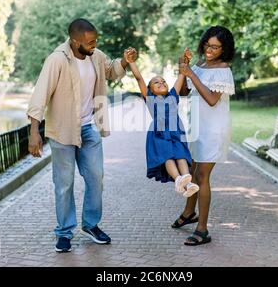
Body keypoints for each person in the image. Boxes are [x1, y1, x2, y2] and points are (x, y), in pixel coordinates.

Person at [27, 18, 137, 253]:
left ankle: (91, 225)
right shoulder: (57, 60)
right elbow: (40, 95)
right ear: (75, 41)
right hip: (63, 131)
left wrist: (124, 62)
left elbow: (110, 70)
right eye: (90, 41)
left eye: (95, 40)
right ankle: (64, 232)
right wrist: (34, 130)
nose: (94, 44)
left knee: (96, 177)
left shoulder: (95, 55)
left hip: (89, 128)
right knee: (64, 184)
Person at [174, 25, 235, 246]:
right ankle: (189, 213)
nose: (210, 50)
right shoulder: (199, 65)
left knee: (202, 177)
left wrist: (191, 74)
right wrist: (184, 68)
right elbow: (183, 92)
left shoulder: (223, 70)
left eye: (216, 47)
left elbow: (211, 99)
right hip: (196, 127)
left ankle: (202, 230)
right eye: (208, 45)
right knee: (191, 172)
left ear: (224, 49)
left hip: (214, 129)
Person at [128, 49, 199, 197]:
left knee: (181, 154)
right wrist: (131, 62)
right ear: (150, 89)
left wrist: (186, 60)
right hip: (159, 132)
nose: (161, 83)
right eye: (156, 82)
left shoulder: (173, 95)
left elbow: (181, 75)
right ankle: (178, 178)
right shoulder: (150, 98)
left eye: (163, 81)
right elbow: (139, 79)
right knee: (166, 155)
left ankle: (188, 182)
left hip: (176, 130)